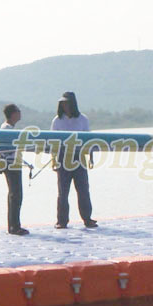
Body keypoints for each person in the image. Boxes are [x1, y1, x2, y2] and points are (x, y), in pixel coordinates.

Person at [52, 91, 97, 229]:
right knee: (63, 191)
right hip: (63, 157)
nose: (65, 106)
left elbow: (88, 140)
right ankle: (62, 220)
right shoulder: (57, 120)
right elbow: (53, 142)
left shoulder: (83, 119)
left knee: (83, 189)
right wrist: (54, 160)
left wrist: (91, 157)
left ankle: (87, 218)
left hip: (79, 157)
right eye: (63, 103)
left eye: (67, 103)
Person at [0, 103, 28, 235]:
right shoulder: (7, 129)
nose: (20, 113)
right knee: (15, 195)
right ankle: (14, 226)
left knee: (15, 195)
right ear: (13, 114)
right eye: (18, 111)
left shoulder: (8, 128)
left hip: (14, 164)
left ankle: (14, 225)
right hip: (11, 165)